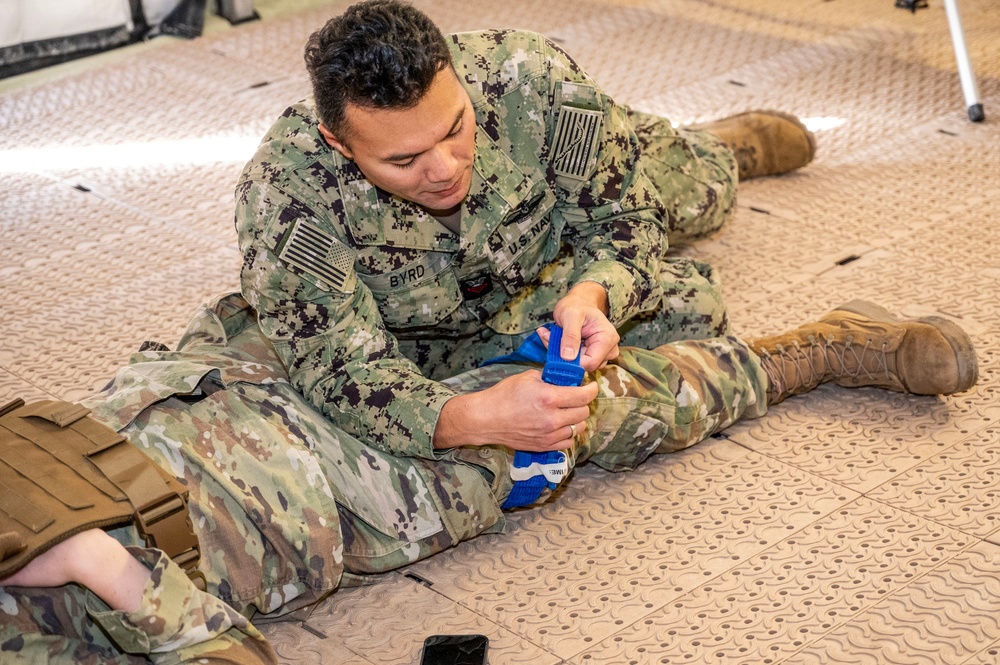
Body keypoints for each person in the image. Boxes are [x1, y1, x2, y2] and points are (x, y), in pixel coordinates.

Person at [0, 1, 978, 663]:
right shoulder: (288, 196)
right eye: (404, 157)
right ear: (340, 140)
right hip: (402, 335)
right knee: (603, 389)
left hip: (541, 246)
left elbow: (620, 220)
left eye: (454, 131)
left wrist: (596, 292)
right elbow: (344, 374)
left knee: (669, 199)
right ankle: (817, 344)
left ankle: (711, 151)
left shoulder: (517, 85)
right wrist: (478, 412)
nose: (441, 165)